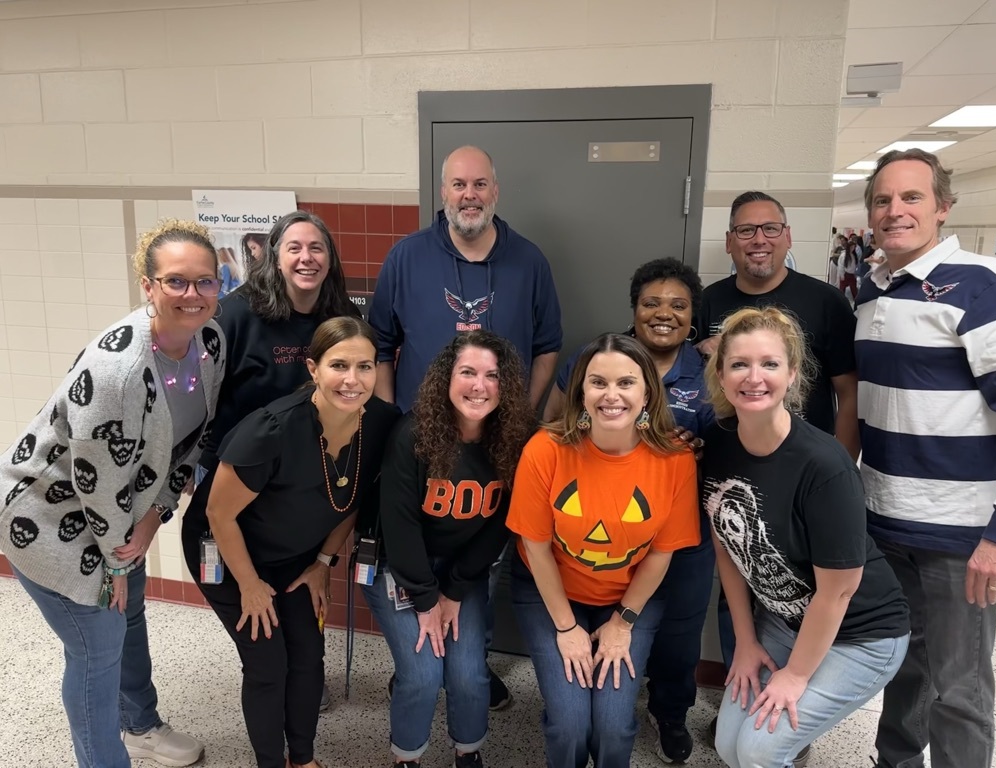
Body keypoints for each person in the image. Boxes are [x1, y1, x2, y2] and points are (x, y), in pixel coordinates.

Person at [0, 219, 225, 768]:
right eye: (176, 281)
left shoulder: (209, 343)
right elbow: (95, 483)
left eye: (205, 282)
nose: (192, 295)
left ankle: (139, 724)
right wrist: (119, 562)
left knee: (129, 615)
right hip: (50, 518)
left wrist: (155, 518)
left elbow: (195, 441)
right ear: (147, 286)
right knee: (97, 647)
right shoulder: (118, 371)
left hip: (122, 515)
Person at [857, 148, 996, 768]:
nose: (894, 211)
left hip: (961, 537)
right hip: (887, 522)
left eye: (911, 198)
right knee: (903, 669)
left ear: (943, 208)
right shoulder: (872, 294)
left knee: (960, 690)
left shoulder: (986, 287)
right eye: (882, 200)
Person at [181, 317, 400, 768]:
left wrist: (322, 563)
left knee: (307, 654)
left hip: (296, 553)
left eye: (365, 366)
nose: (352, 380)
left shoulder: (382, 422)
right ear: (312, 367)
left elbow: (354, 500)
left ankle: (302, 759)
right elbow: (219, 515)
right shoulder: (272, 429)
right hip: (225, 551)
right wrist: (249, 585)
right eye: (339, 365)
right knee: (267, 661)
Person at [702, 306, 910, 768]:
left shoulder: (824, 465)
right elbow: (727, 550)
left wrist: (796, 675)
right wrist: (745, 643)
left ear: (793, 374)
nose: (754, 377)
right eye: (739, 364)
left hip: (861, 634)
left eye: (770, 364)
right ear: (721, 372)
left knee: (758, 753)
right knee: (727, 746)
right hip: (783, 622)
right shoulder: (717, 445)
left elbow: (838, 592)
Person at [543, 258, 714, 763]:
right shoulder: (598, 358)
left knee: (679, 636)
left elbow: (726, 448)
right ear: (634, 309)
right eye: (651, 303)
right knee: (607, 626)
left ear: (692, 316)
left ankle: (670, 713)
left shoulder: (705, 374)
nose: (664, 314)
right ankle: (589, 706)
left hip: (676, 530)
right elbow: (553, 424)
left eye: (678, 306)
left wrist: (695, 445)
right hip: (598, 534)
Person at [507, 333, 700, 768]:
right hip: (549, 592)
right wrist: (565, 626)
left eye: (626, 383)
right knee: (571, 723)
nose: (611, 395)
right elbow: (535, 549)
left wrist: (623, 622)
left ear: (647, 391)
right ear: (580, 391)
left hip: (630, 597)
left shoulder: (675, 460)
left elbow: (660, 554)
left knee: (614, 725)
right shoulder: (545, 450)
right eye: (598, 382)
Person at [363, 330, 534, 768]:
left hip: (464, 571)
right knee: (422, 676)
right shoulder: (413, 434)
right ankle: (407, 757)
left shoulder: (516, 440)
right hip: (401, 568)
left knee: (469, 675)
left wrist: (454, 591)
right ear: (446, 378)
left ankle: (468, 751)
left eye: (492, 375)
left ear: (506, 385)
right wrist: (425, 600)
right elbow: (400, 528)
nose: (479, 385)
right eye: (468, 372)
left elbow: (502, 525)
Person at [370, 145, 562, 413]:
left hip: (500, 437)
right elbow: (380, 347)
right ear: (443, 192)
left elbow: (548, 346)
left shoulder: (530, 262)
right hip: (417, 431)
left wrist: (521, 417)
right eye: (459, 184)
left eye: (480, 184)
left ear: (495, 191)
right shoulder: (405, 257)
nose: (469, 195)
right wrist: (389, 417)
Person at [197, 210, 361, 487]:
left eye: (316, 248)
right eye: (294, 248)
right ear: (275, 260)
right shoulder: (235, 316)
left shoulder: (344, 317)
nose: (306, 257)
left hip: (312, 468)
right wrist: (194, 462)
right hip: (236, 468)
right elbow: (201, 396)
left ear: (330, 260)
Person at [696, 191, 859, 459]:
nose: (760, 239)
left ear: (788, 237)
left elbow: (850, 392)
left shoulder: (827, 302)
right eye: (746, 230)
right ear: (729, 241)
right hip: (725, 462)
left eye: (771, 229)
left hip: (804, 462)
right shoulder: (707, 301)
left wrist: (842, 465)